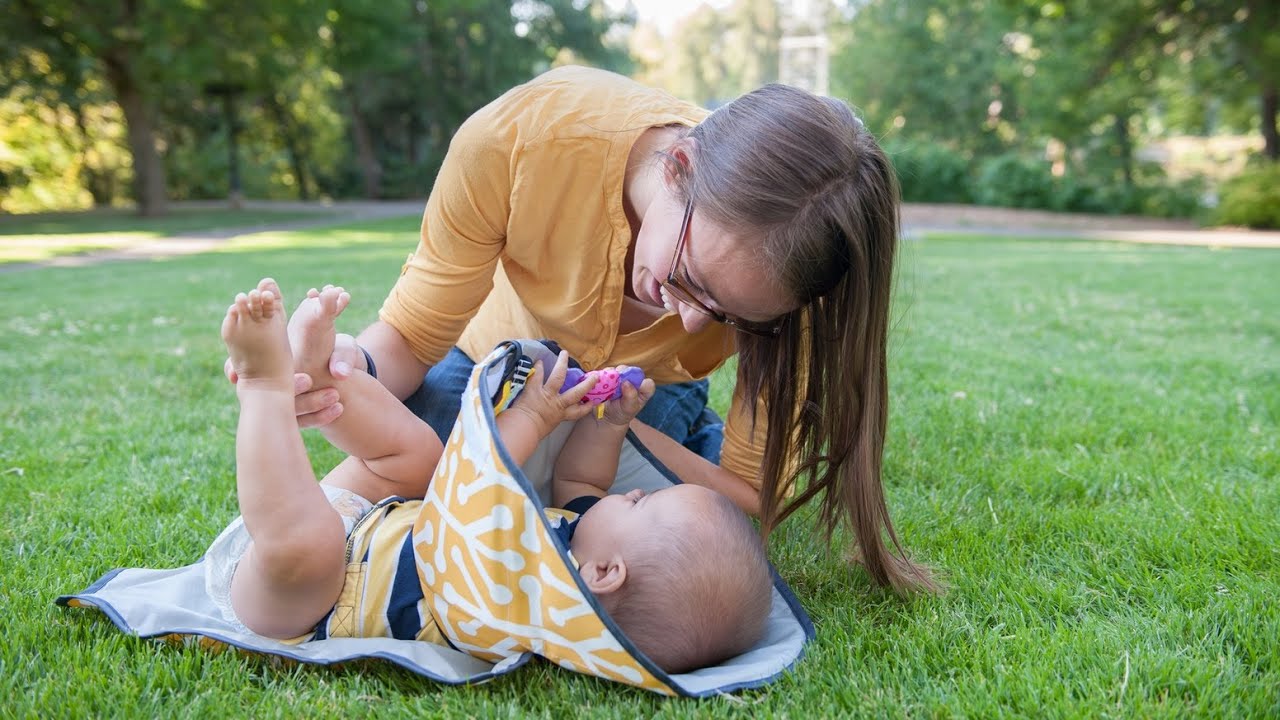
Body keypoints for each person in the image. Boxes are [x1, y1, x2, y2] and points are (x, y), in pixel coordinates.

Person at [231, 65, 936, 593]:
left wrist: (602, 423)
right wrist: (343, 367)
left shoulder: (804, 283)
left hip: (642, 403)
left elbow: (750, 499)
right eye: (689, 276)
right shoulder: (517, 141)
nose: (687, 319)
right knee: (431, 462)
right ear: (679, 165)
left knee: (699, 543)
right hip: (487, 366)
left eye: (730, 319)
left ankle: (673, 435)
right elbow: (413, 341)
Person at [213, 279, 772, 672]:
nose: (635, 491)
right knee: (417, 457)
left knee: (309, 545)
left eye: (641, 504)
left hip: (305, 602)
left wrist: (530, 416)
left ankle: (265, 389)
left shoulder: (540, 606)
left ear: (604, 572)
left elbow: (474, 487)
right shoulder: (583, 538)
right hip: (367, 524)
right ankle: (319, 379)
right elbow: (584, 483)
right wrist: (613, 424)